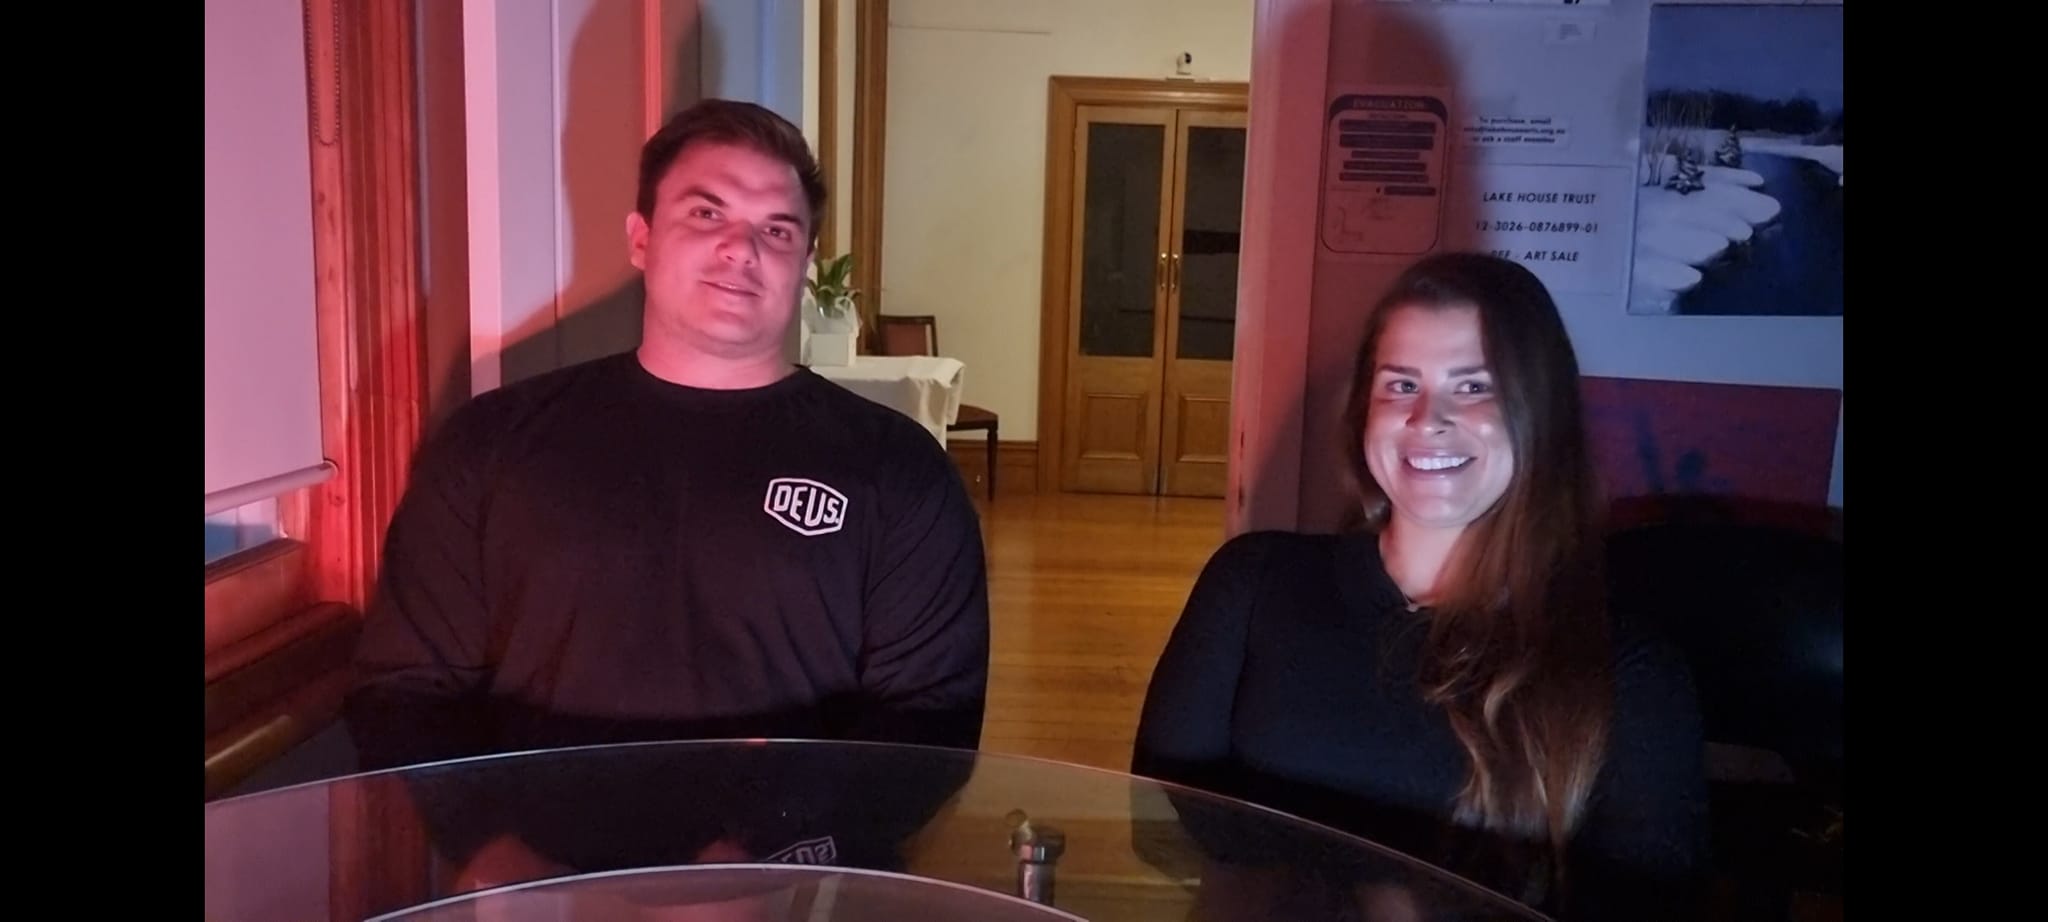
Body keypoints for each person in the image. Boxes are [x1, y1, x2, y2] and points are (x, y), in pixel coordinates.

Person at [341, 98, 989, 887]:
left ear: (804, 262)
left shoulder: (898, 469)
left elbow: (933, 717)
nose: (741, 248)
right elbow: (404, 686)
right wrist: (491, 852)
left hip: (792, 885)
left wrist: (766, 844)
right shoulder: (491, 445)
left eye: (777, 229)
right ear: (640, 238)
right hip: (543, 886)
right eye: (706, 212)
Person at [1132, 252, 1709, 920]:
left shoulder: (1630, 673)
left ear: (1541, 416)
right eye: (1401, 385)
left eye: (1474, 386)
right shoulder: (1253, 581)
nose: (1427, 418)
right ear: (1363, 411)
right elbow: (1165, 815)